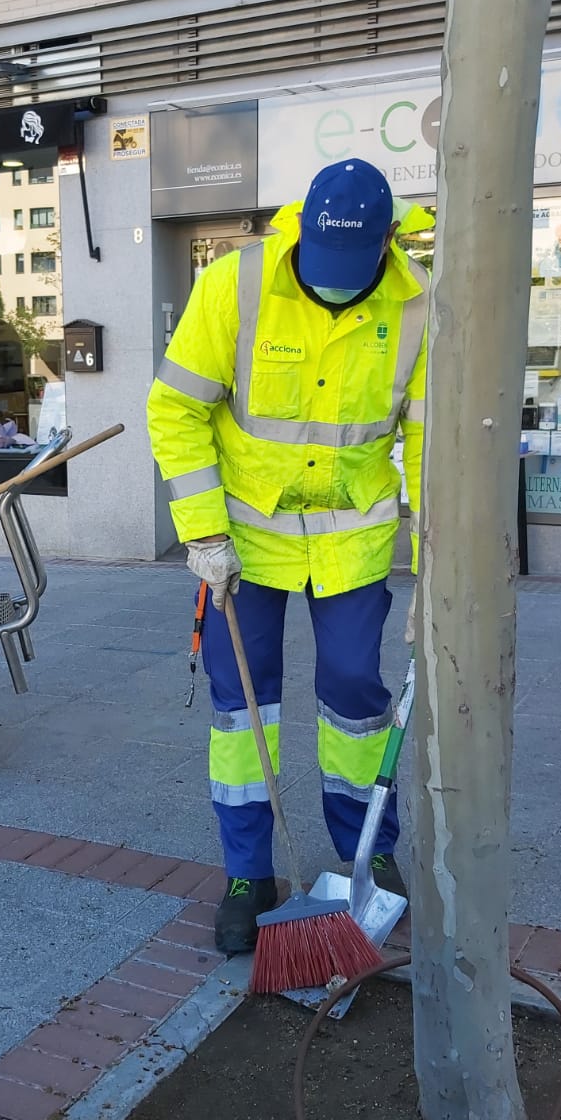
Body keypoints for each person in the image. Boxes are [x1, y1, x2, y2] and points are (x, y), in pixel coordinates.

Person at [145, 158, 430, 954]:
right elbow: (176, 409)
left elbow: (427, 431)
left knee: (355, 697)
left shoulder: (416, 304)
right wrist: (202, 532)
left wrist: (437, 553)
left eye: (355, 268)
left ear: (387, 245)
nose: (334, 283)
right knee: (244, 712)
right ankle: (247, 874)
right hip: (243, 538)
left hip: (351, 539)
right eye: (322, 266)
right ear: (298, 230)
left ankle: (368, 854)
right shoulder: (235, 285)